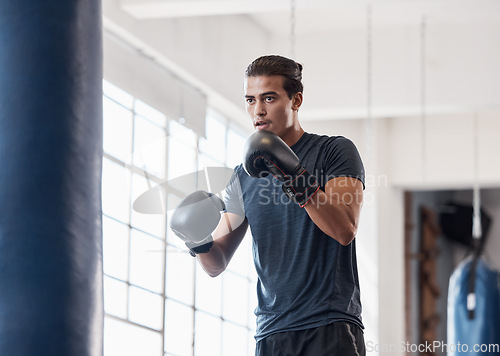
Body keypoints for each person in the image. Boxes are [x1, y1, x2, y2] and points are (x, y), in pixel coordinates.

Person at [171, 55, 366, 355]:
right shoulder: (245, 174)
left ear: (296, 100)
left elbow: (344, 229)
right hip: (271, 333)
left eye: (269, 98)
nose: (257, 110)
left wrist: (292, 173)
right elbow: (217, 263)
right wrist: (197, 241)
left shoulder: (333, 151)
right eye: (250, 100)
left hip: (329, 325)